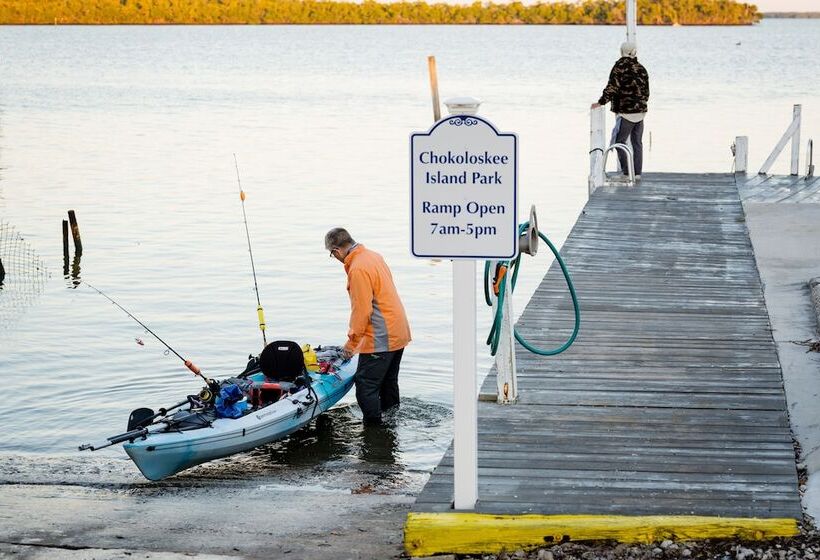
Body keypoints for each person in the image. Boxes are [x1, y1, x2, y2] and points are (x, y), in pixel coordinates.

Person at [325, 227, 411, 425]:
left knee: (366, 386)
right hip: (398, 330)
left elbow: (362, 311)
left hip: (382, 336)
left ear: (337, 251)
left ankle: (374, 432)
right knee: (388, 383)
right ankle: (392, 424)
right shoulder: (373, 256)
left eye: (332, 254)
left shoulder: (357, 269)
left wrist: (351, 343)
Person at [592, 41, 650, 179]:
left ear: (622, 51)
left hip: (626, 112)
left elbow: (613, 87)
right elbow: (647, 92)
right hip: (641, 111)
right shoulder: (641, 68)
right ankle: (636, 174)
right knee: (637, 143)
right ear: (634, 51)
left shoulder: (619, 67)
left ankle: (626, 173)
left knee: (618, 142)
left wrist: (601, 102)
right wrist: (640, 103)